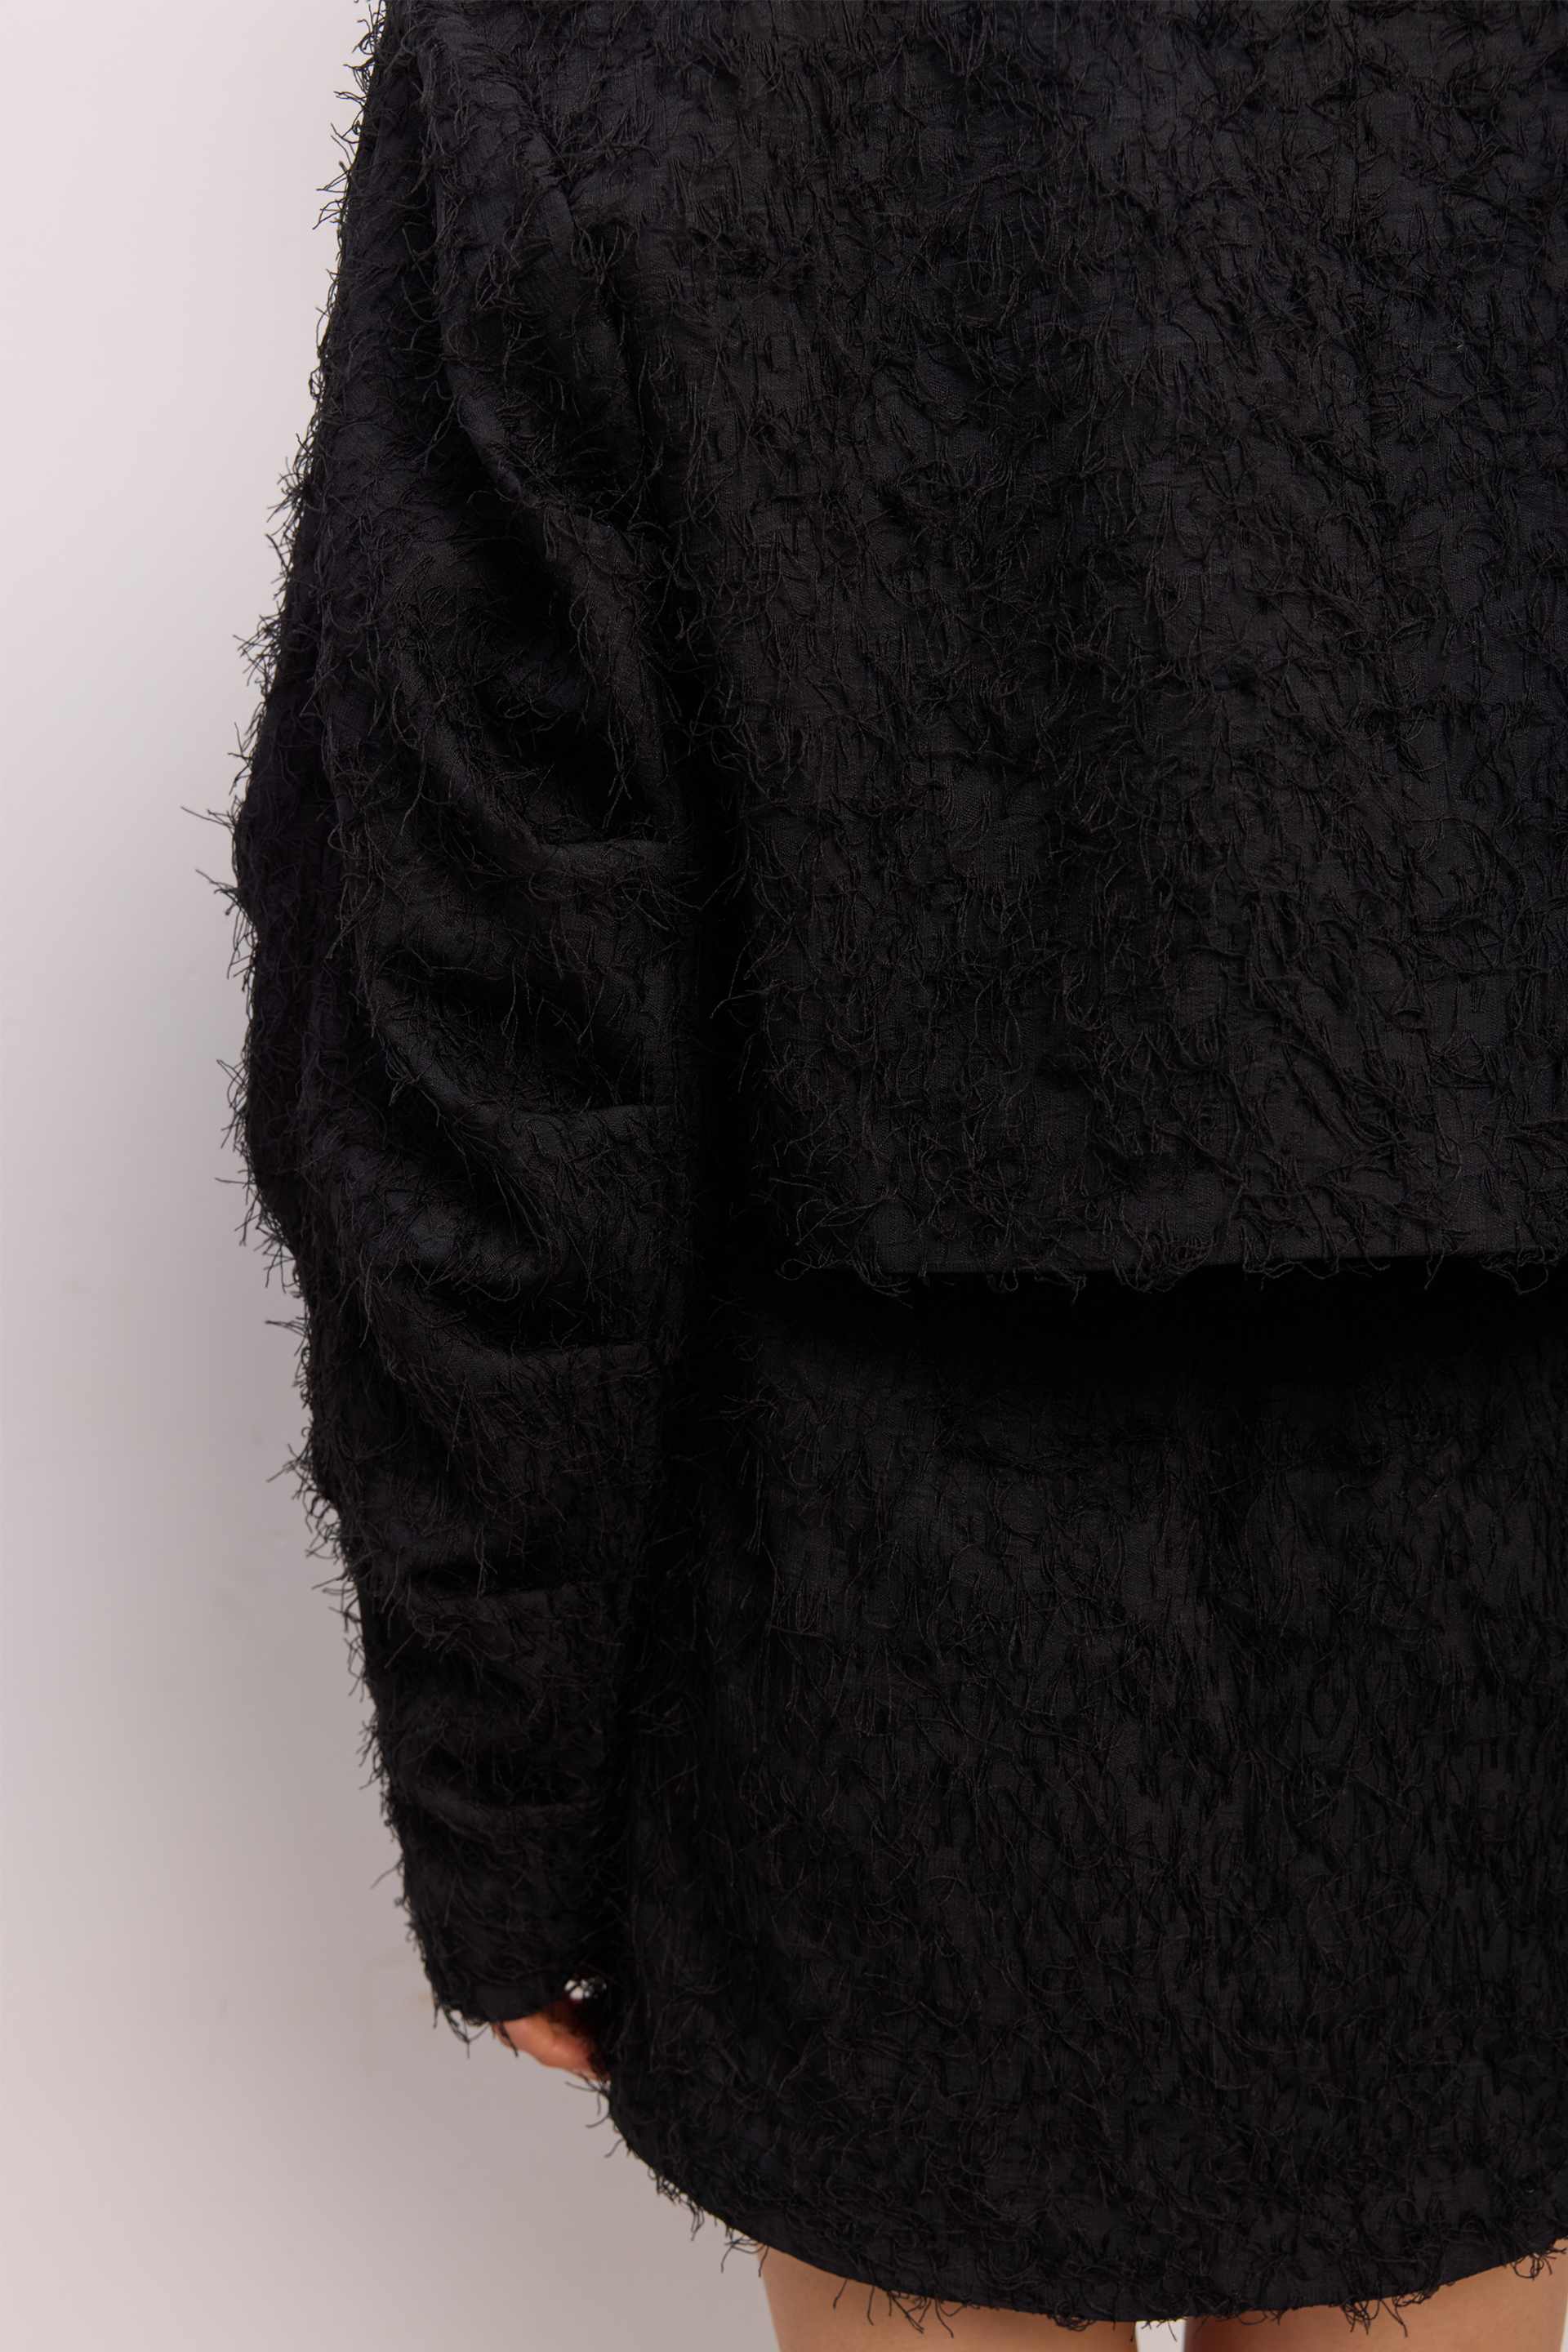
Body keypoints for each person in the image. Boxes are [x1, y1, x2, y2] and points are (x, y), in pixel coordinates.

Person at [232, 2, 1567, 2343]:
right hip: (1493, 1614)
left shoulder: (577, 41)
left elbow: (477, 1006)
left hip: (877, 1655)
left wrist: (500, 1789)